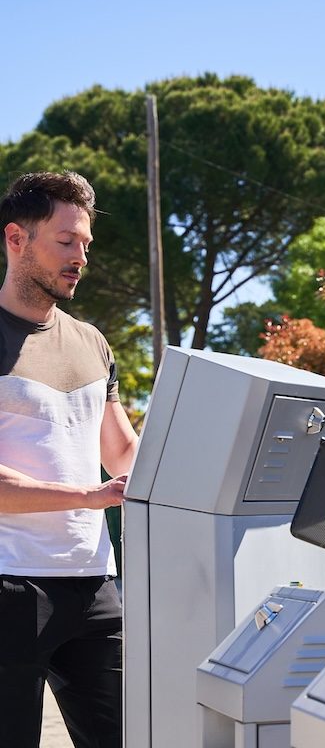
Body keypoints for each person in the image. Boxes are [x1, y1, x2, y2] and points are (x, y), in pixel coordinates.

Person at [0, 171, 139, 748]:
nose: (80, 256)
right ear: (16, 238)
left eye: (85, 243)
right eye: (65, 241)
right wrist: (90, 497)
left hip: (96, 586)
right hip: (10, 586)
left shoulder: (92, 342)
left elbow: (122, 451)